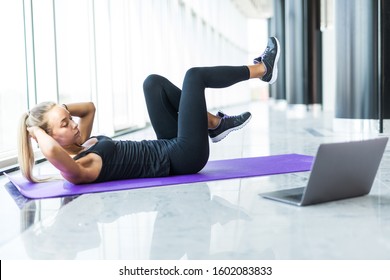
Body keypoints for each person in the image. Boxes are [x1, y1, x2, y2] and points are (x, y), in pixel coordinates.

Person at [18, 37, 280, 184]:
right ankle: (262, 70)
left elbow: (88, 109)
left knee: (152, 83)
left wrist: (59, 111)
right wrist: (33, 130)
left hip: (167, 145)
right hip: (182, 157)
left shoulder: (81, 144)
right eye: (64, 125)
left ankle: (213, 123)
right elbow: (51, 151)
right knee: (194, 77)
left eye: (68, 120)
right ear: (48, 137)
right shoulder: (78, 168)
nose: (74, 124)